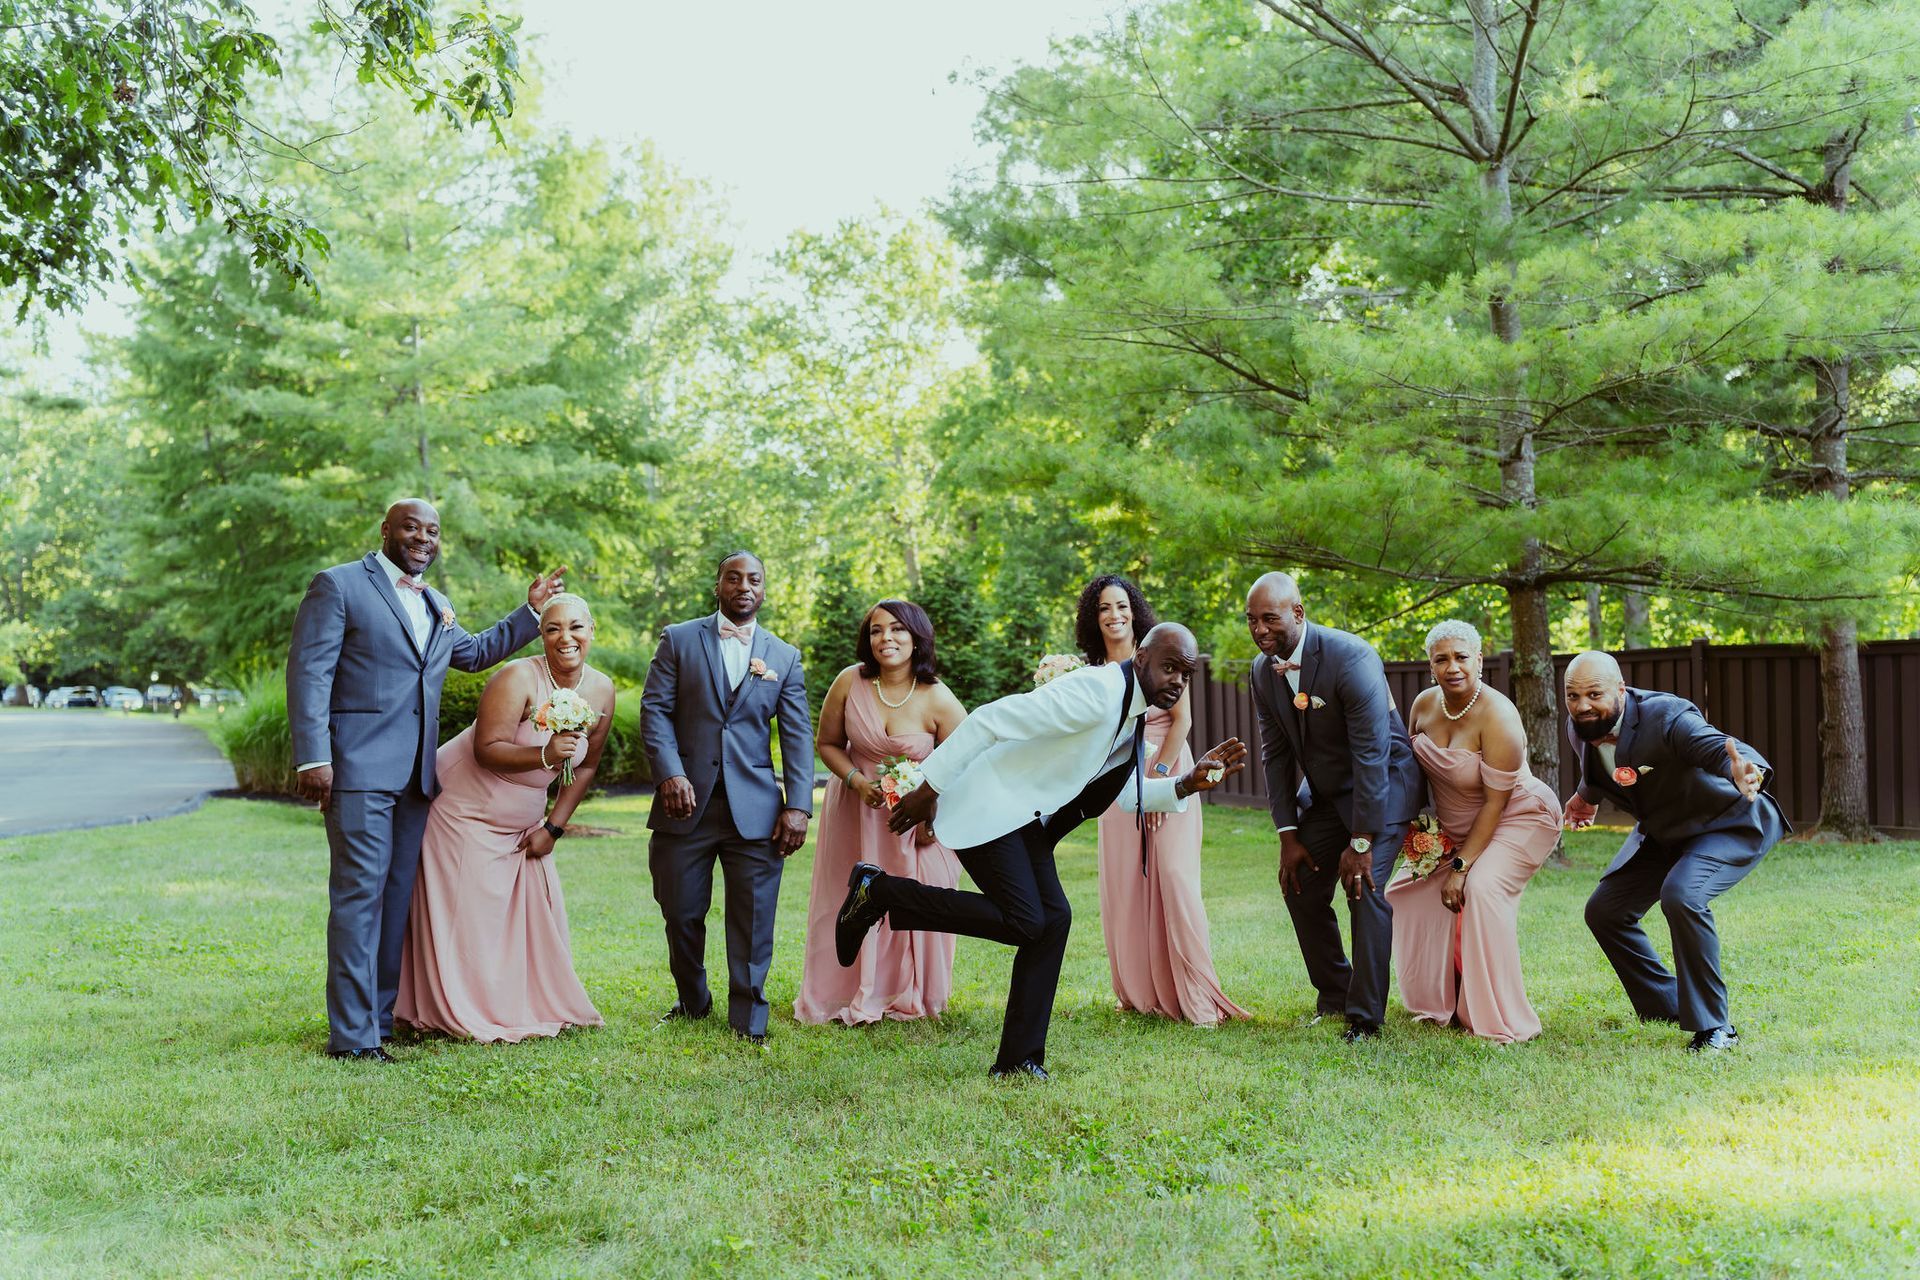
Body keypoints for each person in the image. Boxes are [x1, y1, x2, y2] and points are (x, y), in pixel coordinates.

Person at [836, 623, 1249, 1080]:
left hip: (1023, 819)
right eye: (1170, 668)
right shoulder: (1097, 693)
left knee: (1053, 920)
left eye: (1186, 675)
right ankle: (879, 893)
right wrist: (928, 786)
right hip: (988, 804)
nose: (1177, 682)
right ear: (1142, 657)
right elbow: (990, 720)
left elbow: (1124, 795)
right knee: (1027, 920)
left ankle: (1019, 1060)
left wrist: (1185, 784)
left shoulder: (1131, 716)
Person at [287, 497, 564, 1062]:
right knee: (359, 897)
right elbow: (310, 671)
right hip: (359, 772)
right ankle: (352, 1039)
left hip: (418, 777)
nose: (423, 538)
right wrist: (313, 758)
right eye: (411, 527)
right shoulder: (338, 586)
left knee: (395, 899)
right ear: (387, 530)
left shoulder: (437, 604)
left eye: (432, 531)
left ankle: (381, 1021)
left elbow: (475, 653)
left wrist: (530, 615)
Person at [395, 592, 611, 1042]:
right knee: (467, 914)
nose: (565, 637)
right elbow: (487, 749)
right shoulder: (517, 678)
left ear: (593, 631)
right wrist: (545, 753)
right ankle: (454, 1008)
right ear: (541, 635)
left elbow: (587, 765)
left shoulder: (602, 690)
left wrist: (554, 826)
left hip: (523, 817)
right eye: (552, 628)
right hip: (461, 807)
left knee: (514, 916)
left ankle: (513, 1002)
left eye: (575, 627)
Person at [1564, 651, 1786, 1052]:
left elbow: (1717, 748)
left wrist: (1745, 769)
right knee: (1605, 911)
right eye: (1573, 696)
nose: (1582, 705)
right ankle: (1667, 1005)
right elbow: (1598, 768)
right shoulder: (1581, 723)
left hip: (1724, 821)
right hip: (1663, 831)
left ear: (1620, 688)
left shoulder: (1666, 715)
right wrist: (1585, 798)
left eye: (1593, 694)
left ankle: (1716, 1027)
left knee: (1682, 895)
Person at [640, 551, 813, 1046]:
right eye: (733, 577)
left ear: (764, 588)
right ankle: (693, 1001)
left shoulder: (784, 656)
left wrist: (798, 806)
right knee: (681, 910)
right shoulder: (678, 639)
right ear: (717, 585)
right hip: (684, 805)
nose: (744, 586)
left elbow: (798, 737)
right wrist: (670, 774)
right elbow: (654, 711)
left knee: (754, 916)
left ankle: (749, 1019)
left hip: (756, 811)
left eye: (753, 579)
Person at [1245, 572, 1424, 1041]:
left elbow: (1372, 754)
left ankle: (1365, 1019)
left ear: (1298, 613)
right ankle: (1335, 993)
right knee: (1298, 881)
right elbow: (1275, 754)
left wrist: (1360, 841)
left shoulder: (1352, 657)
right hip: (1325, 794)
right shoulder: (1263, 671)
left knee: (1363, 888)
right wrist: (1288, 835)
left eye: (1270, 618)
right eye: (1251, 621)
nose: (1260, 630)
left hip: (1382, 786)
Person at [1078, 575, 1248, 1028]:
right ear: (1093, 619)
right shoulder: (1090, 672)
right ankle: (1139, 991)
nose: (1114, 615)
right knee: (1126, 884)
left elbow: (1182, 719)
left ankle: (1196, 995)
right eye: (1103, 609)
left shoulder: (1162, 652)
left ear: (1134, 611)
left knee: (1173, 876)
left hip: (1170, 768)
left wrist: (1155, 783)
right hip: (1113, 779)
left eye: (1121, 606)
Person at [1384, 620, 1560, 1044]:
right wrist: (1420, 833)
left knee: (1479, 890)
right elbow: (1412, 775)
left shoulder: (1498, 715)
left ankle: (1500, 1017)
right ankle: (1441, 1001)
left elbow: (1495, 804)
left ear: (1479, 660)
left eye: (1462, 657)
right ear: (1430, 667)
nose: (1452, 667)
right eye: (1441, 659)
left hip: (1519, 817)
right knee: (1406, 889)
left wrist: (1461, 866)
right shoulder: (1424, 706)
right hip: (1455, 825)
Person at [794, 600, 967, 1025]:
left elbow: (967, 762)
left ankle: (909, 993)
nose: (885, 638)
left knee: (922, 893)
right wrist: (856, 780)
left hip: (916, 820)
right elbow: (828, 743)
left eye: (897, 630)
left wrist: (933, 815)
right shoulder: (849, 682)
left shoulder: (938, 697)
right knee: (844, 896)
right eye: (876, 630)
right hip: (856, 810)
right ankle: (843, 990)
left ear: (916, 637)